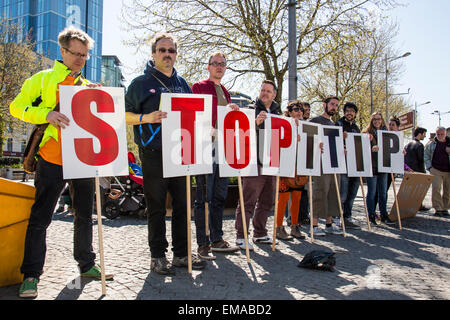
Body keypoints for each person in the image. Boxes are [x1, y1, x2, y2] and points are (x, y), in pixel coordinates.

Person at [9, 26, 112, 299]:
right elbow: (16, 107)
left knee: (83, 215)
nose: (80, 59)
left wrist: (102, 102)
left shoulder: (89, 86)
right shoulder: (42, 79)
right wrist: (47, 114)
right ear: (63, 51)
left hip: (83, 159)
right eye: (75, 54)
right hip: (52, 158)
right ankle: (31, 275)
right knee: (41, 217)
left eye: (85, 55)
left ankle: (87, 264)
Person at [125, 33, 206, 275]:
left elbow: (195, 117)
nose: (167, 54)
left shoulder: (184, 85)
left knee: (183, 205)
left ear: (176, 54)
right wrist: (145, 118)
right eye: (162, 50)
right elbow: (122, 114)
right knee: (157, 207)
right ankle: (158, 256)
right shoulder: (140, 83)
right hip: (153, 153)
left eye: (171, 50)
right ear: (153, 54)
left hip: (181, 153)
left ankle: (181, 254)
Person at [191, 51, 240, 260]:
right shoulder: (199, 87)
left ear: (225, 68)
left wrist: (233, 111)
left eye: (222, 64)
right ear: (208, 66)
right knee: (203, 198)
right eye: (215, 63)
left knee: (219, 196)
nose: (219, 66)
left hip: (222, 149)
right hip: (204, 148)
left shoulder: (226, 92)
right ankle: (203, 244)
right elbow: (194, 113)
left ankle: (217, 239)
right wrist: (207, 129)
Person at [234, 80, 281, 250]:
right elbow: (240, 132)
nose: (264, 93)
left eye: (268, 91)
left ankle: (259, 233)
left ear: (274, 94)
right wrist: (255, 124)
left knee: (267, 201)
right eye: (262, 90)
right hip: (254, 162)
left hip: (272, 163)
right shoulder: (251, 110)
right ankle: (241, 235)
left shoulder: (278, 112)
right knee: (248, 200)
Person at [308, 96, 343, 236]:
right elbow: (308, 139)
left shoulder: (335, 125)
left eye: (336, 105)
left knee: (333, 192)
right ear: (324, 105)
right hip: (320, 163)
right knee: (320, 192)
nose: (334, 107)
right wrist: (317, 144)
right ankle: (314, 225)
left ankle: (329, 224)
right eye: (332, 104)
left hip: (334, 163)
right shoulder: (315, 121)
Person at [275, 100, 306, 240]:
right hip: (285, 166)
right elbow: (278, 142)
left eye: (301, 109)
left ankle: (294, 226)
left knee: (297, 198)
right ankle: (278, 227)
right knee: (283, 198)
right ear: (289, 111)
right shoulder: (283, 123)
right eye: (296, 109)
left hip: (299, 168)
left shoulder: (306, 126)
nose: (299, 111)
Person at [335, 102, 361, 229]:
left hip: (354, 165)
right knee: (343, 193)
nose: (349, 113)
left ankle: (347, 217)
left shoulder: (356, 128)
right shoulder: (338, 124)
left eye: (352, 111)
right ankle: (336, 218)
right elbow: (332, 141)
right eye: (347, 110)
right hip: (343, 165)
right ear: (344, 112)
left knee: (352, 193)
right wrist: (341, 138)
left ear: (355, 113)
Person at [362, 112, 390, 225]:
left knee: (383, 193)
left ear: (382, 120)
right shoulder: (366, 133)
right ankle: (371, 214)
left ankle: (384, 214)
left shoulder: (387, 134)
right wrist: (369, 144)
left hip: (383, 167)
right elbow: (361, 149)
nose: (376, 121)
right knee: (372, 192)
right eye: (374, 119)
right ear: (371, 121)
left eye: (378, 119)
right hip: (372, 167)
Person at [424, 126, 450, 217]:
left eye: (442, 134)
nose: (440, 136)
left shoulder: (449, 143)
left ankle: (445, 208)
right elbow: (426, 155)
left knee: (448, 190)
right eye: (438, 134)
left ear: (445, 134)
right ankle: (438, 208)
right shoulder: (431, 144)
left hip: (448, 170)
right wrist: (429, 167)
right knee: (436, 188)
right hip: (435, 169)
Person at [404, 126, 429, 211]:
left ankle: (409, 205)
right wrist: (423, 171)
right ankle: (419, 205)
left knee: (410, 190)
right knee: (419, 190)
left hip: (408, 170)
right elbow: (420, 159)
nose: (424, 136)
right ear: (420, 134)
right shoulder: (419, 145)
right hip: (418, 170)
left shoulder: (407, 144)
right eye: (424, 134)